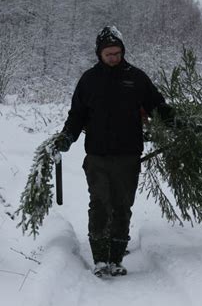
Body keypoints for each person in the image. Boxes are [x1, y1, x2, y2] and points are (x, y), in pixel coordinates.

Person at [55, 26, 174, 277]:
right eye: (108, 54)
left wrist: (177, 122)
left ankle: (116, 258)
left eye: (117, 53)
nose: (113, 58)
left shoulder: (137, 78)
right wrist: (67, 136)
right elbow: (77, 115)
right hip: (97, 156)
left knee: (122, 206)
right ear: (99, 54)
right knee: (99, 204)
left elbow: (157, 106)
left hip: (128, 156)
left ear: (123, 51)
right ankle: (100, 259)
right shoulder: (89, 80)